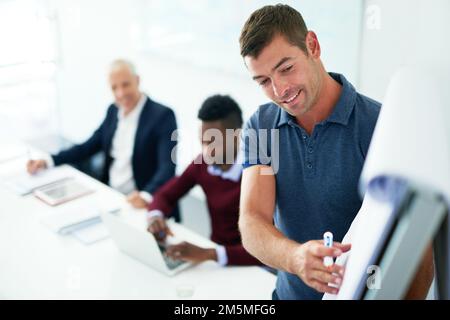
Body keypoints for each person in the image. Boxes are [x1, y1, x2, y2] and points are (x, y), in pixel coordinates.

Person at [237, 4, 433, 299]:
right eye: (264, 81)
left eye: (286, 69)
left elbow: (418, 251)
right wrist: (296, 258)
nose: (280, 90)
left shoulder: (382, 126)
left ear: (312, 46)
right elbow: (252, 221)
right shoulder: (261, 126)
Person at [26, 59, 179, 216]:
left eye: (125, 85)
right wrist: (49, 160)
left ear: (137, 80)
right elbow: (87, 146)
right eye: (114, 88)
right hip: (112, 196)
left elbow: (168, 167)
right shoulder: (113, 111)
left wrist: (146, 195)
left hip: (144, 202)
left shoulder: (163, 116)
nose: (121, 93)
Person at [147, 95, 260, 266]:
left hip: (254, 266)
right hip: (217, 258)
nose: (207, 151)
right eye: (203, 142)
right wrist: (155, 217)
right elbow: (165, 195)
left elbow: (264, 249)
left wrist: (210, 254)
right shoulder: (203, 164)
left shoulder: (259, 174)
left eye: (213, 142)